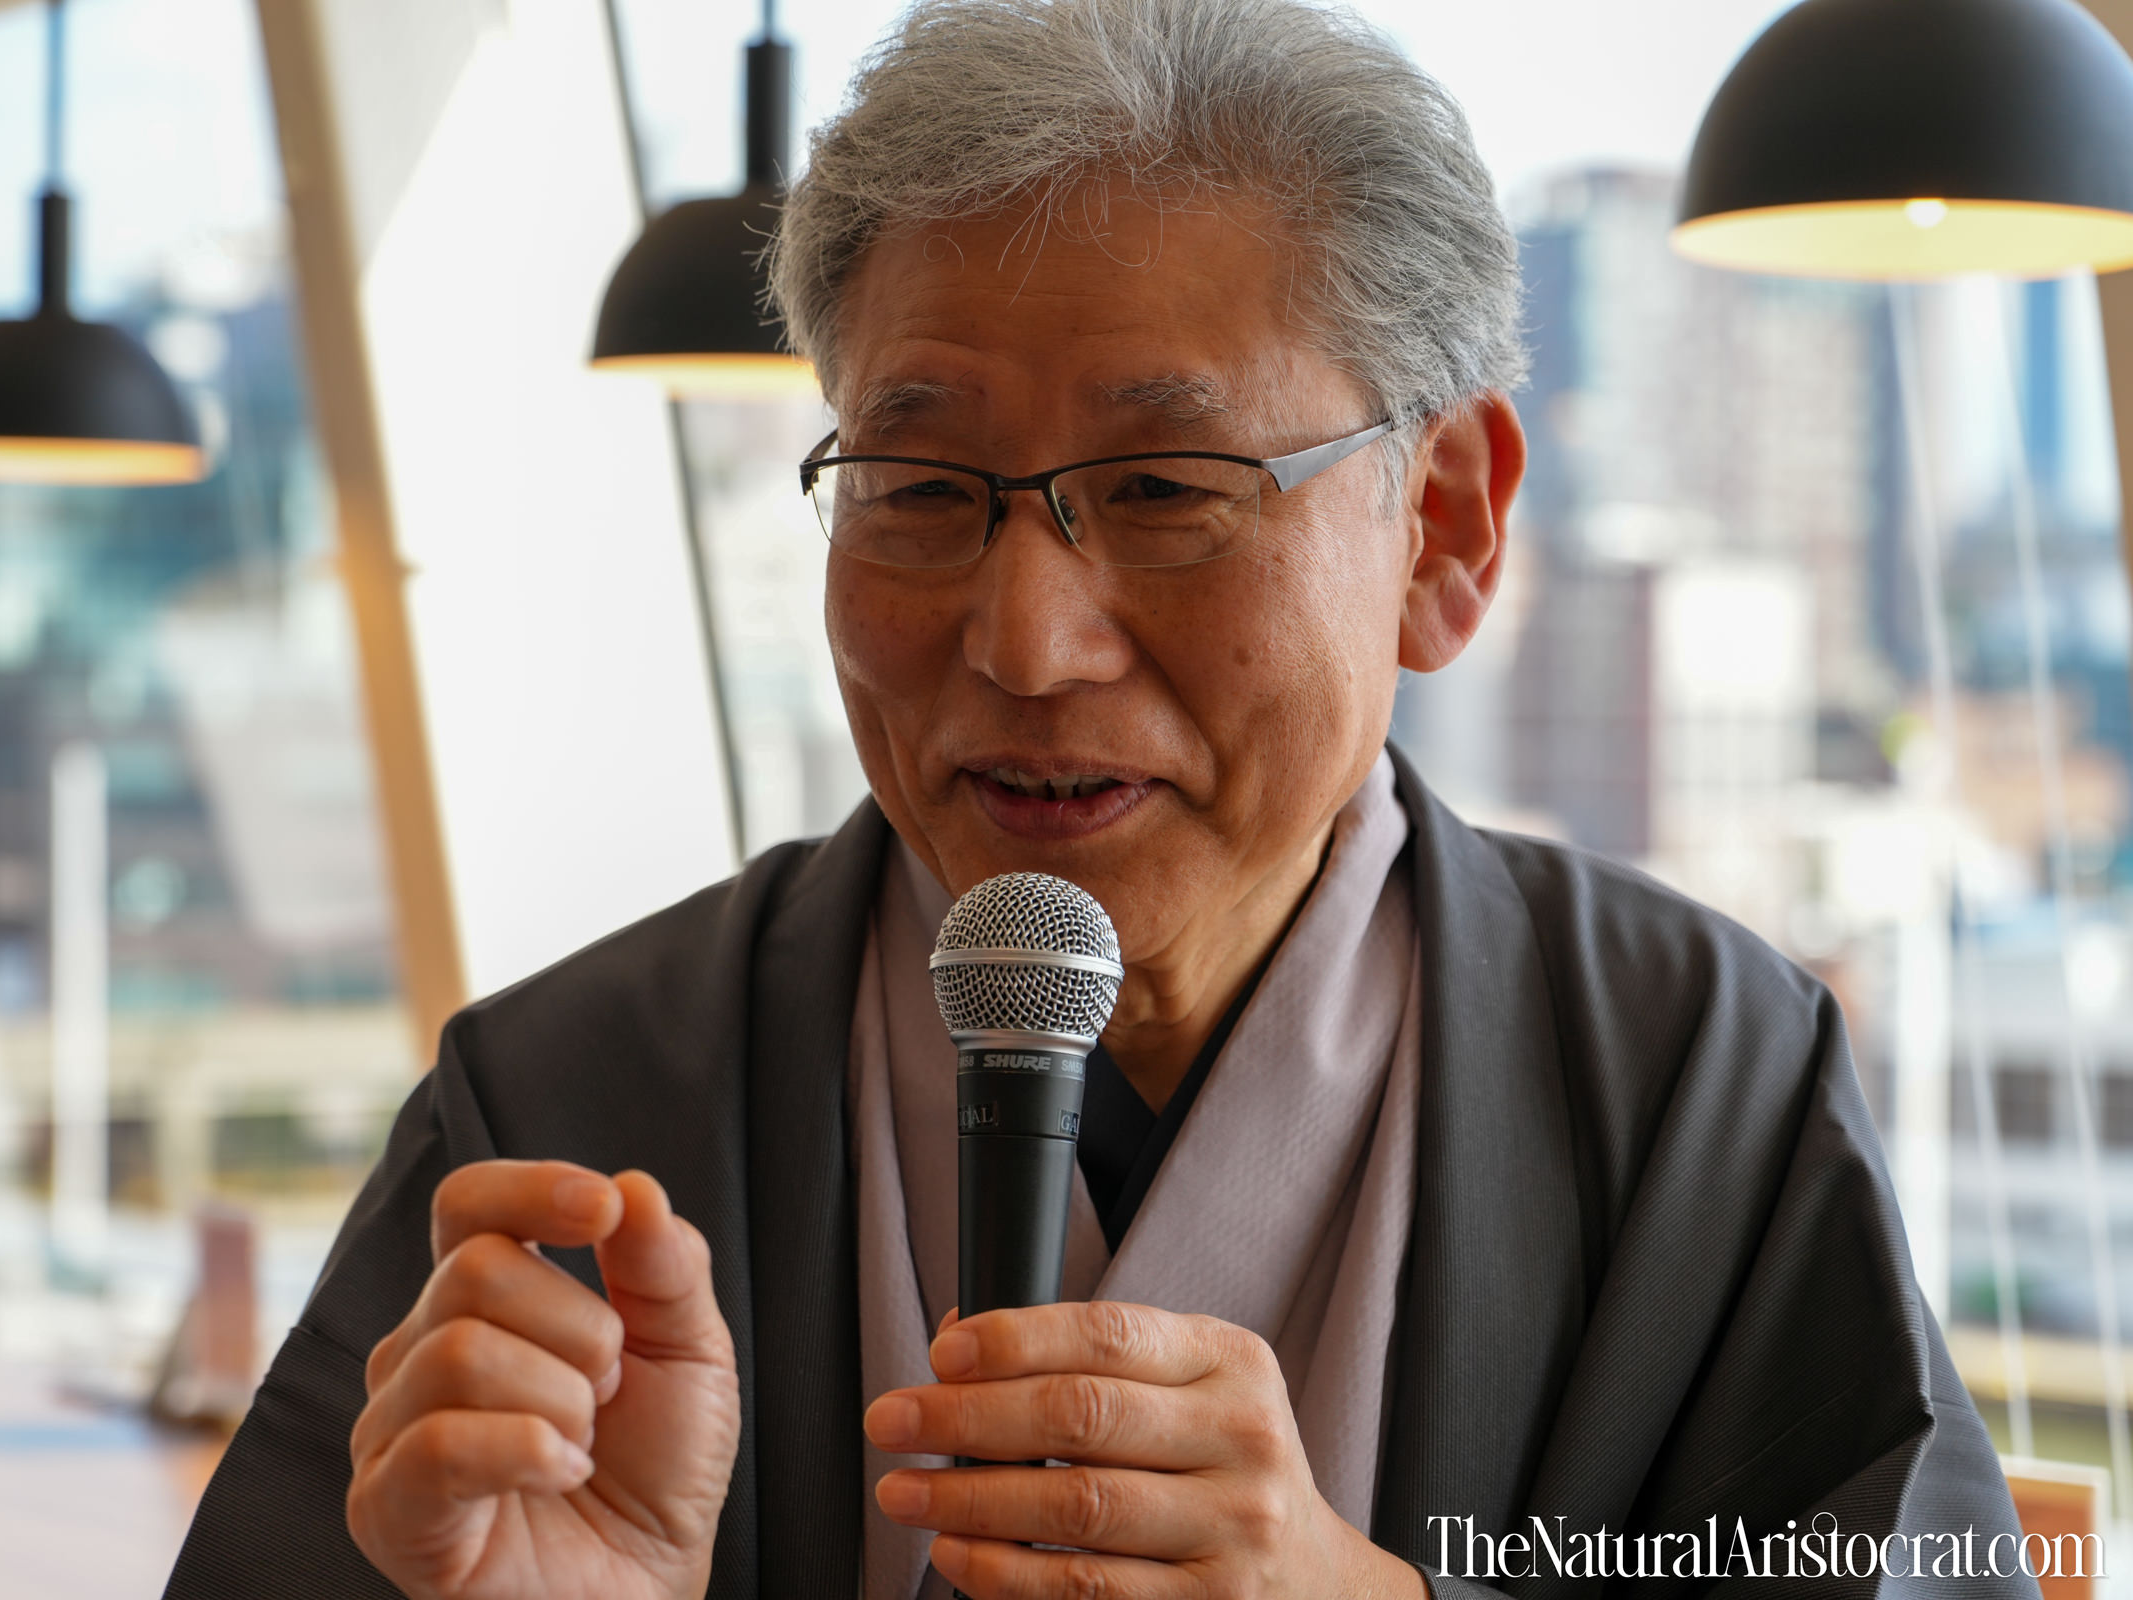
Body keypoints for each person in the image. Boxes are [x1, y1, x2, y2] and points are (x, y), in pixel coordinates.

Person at [164, 1, 2032, 1596]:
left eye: (1162, 488)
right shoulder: (578, 1107)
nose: (1030, 640)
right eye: (916, 484)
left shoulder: (1694, 1080)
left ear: (1445, 526)